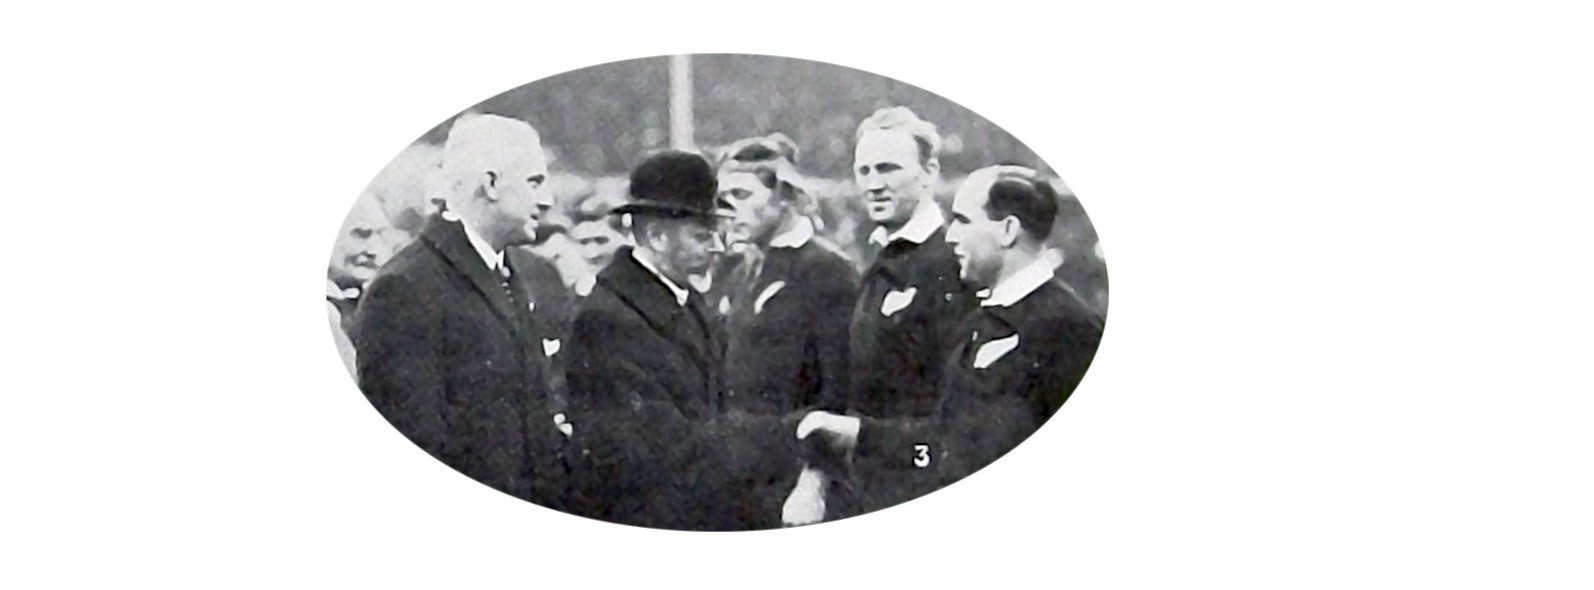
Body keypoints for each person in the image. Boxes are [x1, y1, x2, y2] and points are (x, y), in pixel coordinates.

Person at [798, 166, 1105, 507]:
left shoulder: (1070, 326)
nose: (949, 235)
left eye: (963, 221)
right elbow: (946, 439)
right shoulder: (980, 319)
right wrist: (858, 434)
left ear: (1007, 230)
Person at [562, 150, 804, 531]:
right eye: (702, 236)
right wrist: (793, 434)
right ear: (657, 236)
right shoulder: (607, 321)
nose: (717, 247)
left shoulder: (683, 299)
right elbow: (668, 451)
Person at [348, 113, 570, 506]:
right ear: (491, 184)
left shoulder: (510, 272)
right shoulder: (406, 288)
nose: (547, 199)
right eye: (535, 182)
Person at [712, 133, 860, 528]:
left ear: (783, 195)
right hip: (736, 474)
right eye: (722, 197)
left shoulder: (828, 271)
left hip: (792, 482)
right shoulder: (736, 271)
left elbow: (839, 391)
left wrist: (814, 482)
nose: (728, 209)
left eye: (741, 195)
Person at [839, 106, 976, 515]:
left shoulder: (951, 262)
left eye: (888, 169)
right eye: (864, 171)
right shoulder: (883, 258)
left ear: (929, 171)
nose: (873, 184)